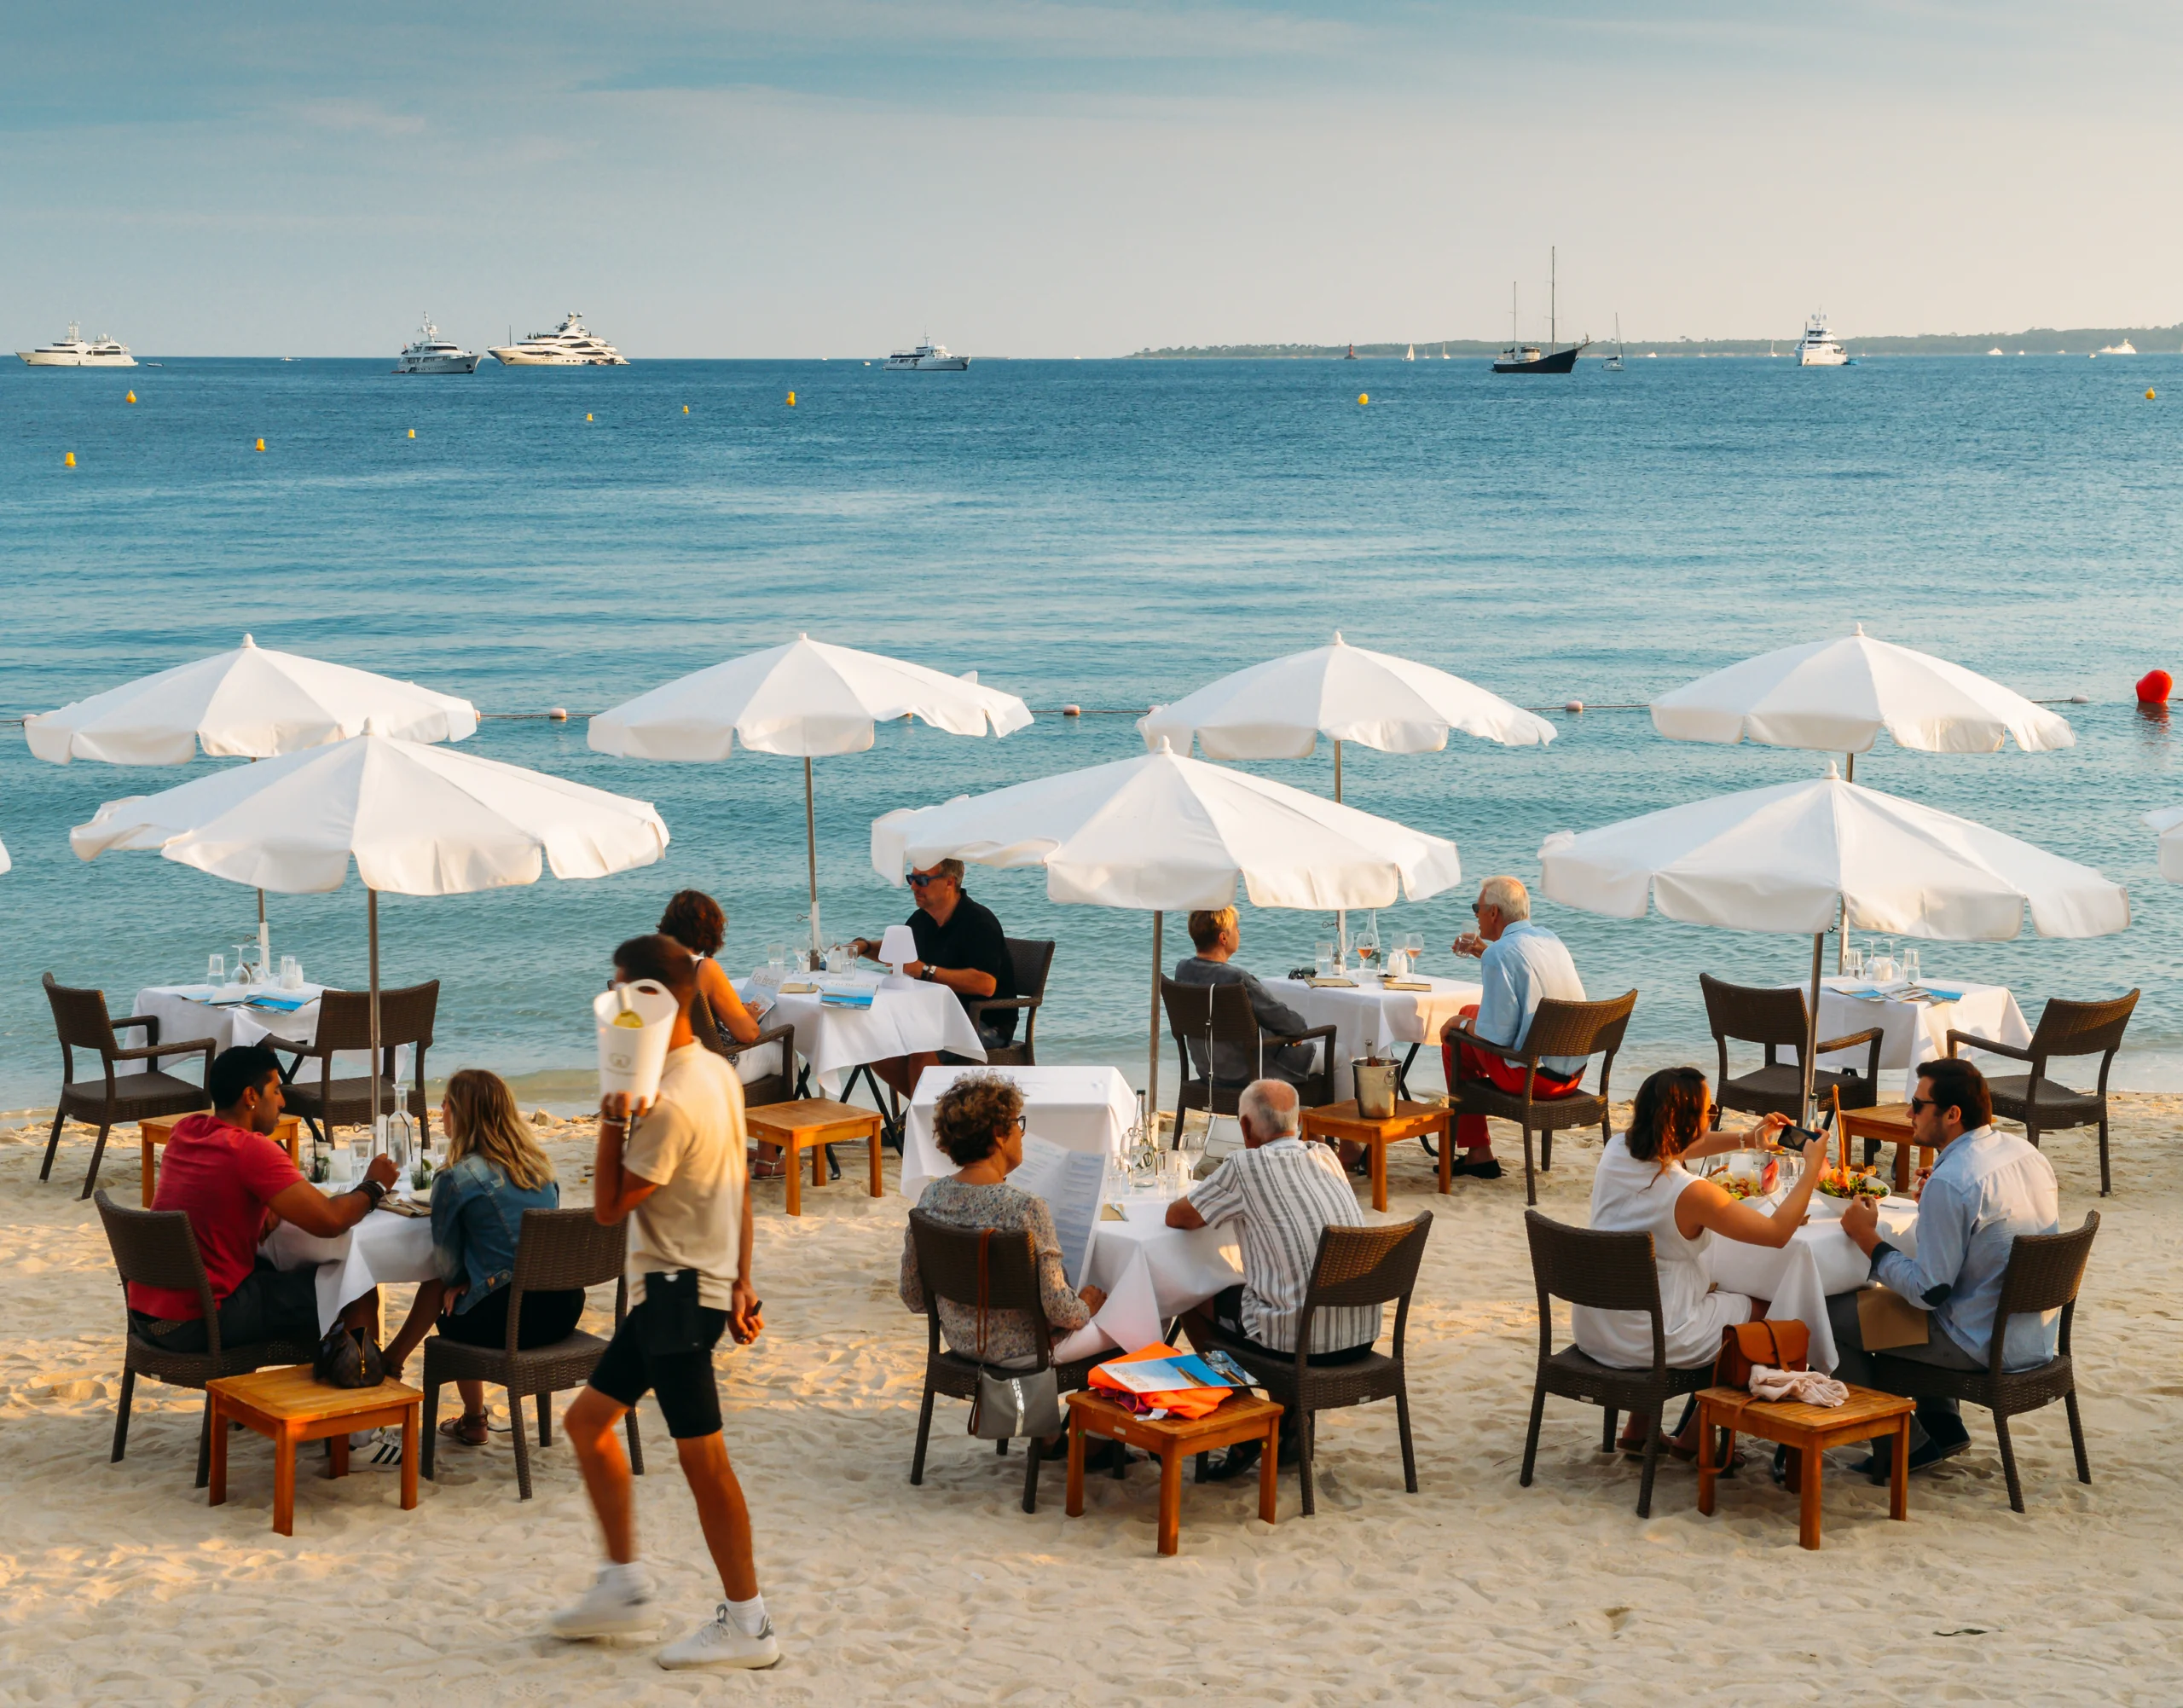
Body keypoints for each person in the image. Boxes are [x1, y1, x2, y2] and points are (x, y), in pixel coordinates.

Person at [552, 935, 778, 1672]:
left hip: (679, 1294)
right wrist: (743, 1281)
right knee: (588, 1422)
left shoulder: (672, 1101)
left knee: (703, 1461)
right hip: (687, 1288)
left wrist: (614, 1116)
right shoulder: (715, 1072)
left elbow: (611, 1208)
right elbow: (739, 1186)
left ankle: (748, 1622)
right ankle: (623, 1584)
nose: (610, 1001)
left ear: (648, 998)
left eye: (617, 988)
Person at [125, 1044, 439, 1383]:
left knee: (317, 1276)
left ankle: (334, 1401)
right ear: (250, 1096)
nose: (283, 1102)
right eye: (275, 1090)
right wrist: (374, 1186)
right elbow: (331, 1222)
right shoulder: (250, 1149)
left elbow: (217, 1189)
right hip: (202, 1321)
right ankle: (358, 1427)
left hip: (150, 1317)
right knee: (354, 1288)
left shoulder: (187, 1131)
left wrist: (265, 1201)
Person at [1573, 1067, 1818, 1457]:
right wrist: (1811, 1171)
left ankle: (1639, 1428)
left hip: (1597, 1325)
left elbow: (1679, 1147)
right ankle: (1697, 1436)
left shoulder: (1618, 1149)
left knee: (1705, 1288)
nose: (1712, 1117)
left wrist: (1747, 1139)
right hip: (1652, 1338)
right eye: (1709, 1112)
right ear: (1688, 1122)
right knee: (1764, 1314)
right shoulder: (1689, 1193)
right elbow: (1776, 1235)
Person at [1834, 1057, 2061, 1479]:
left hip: (1980, 1344)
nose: (1908, 1113)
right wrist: (1937, 1204)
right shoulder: (2024, 1152)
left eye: (1917, 1104)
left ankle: (1904, 1445)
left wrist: (1868, 1239)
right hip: (2033, 1336)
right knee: (1892, 1299)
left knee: (1829, 1316)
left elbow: (1928, 1292)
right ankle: (1944, 1426)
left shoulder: (1954, 1178)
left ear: (1952, 1115)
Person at [1167, 1079, 1373, 1479]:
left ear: (1245, 1128)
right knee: (1267, 1292)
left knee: (1189, 1294)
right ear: (1298, 1123)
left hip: (1303, 1345)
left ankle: (1246, 1424)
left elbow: (1179, 1217)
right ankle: (1290, 1418)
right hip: (1359, 1334)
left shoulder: (1244, 1166)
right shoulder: (1326, 1157)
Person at [898, 1072, 1107, 1365]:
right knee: (1128, 1333)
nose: (1021, 1135)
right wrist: (1085, 1306)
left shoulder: (931, 1196)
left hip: (960, 1344)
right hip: (1026, 1352)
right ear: (998, 1133)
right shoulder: (1025, 1207)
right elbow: (1061, 1310)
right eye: (1017, 1124)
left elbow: (912, 1295)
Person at [427, 1068, 583, 1448]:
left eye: (445, 1104)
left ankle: (474, 1419)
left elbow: (446, 1267)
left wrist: (462, 1279)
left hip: (512, 1322)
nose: (441, 1111)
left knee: (447, 1308)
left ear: (461, 1114)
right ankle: (473, 1418)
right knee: (472, 1294)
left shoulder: (456, 1178)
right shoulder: (541, 1170)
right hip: (562, 1309)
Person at [1439, 875, 1589, 1181]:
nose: (1476, 915)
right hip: (1571, 1073)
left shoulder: (1500, 954)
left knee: (1454, 1038)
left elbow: (1497, 1036)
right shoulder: (1549, 938)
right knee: (1470, 1014)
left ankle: (1478, 1151)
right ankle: (1476, 1148)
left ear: (1493, 913)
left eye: (1476, 908)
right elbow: (1527, 977)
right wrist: (1485, 952)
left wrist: (1460, 1024)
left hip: (1534, 1078)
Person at [849, 858, 1016, 1100]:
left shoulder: (979, 922)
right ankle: (935, 1115)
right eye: (912, 879)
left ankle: (931, 1120)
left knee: (921, 1048)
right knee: (877, 1046)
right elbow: (897, 952)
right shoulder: (923, 919)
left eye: (922, 880)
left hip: (984, 1021)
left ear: (950, 882)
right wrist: (863, 947)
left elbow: (986, 984)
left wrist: (925, 971)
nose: (914, 887)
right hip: (934, 1015)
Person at [657, 888, 787, 1178]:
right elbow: (748, 1035)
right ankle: (768, 1159)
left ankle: (732, 1143)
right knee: (782, 1052)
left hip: (661, 1067)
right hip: (708, 1069)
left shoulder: (648, 966)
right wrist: (750, 1016)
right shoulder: (704, 968)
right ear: (707, 932)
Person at [1172, 906, 1320, 1091]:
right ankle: (1339, 1120)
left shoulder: (1183, 971)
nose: (1239, 932)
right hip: (1255, 1068)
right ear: (1223, 938)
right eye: (1236, 927)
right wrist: (1289, 1036)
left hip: (1209, 1071)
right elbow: (1294, 1025)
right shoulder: (1236, 979)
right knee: (1340, 1054)